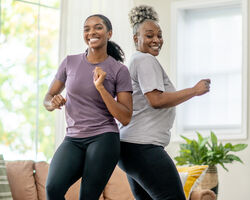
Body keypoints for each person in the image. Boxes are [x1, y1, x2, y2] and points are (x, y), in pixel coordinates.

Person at [118, 5, 211, 200]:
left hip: (130, 148)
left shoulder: (138, 60)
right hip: (142, 147)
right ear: (136, 39)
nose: (157, 40)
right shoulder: (144, 60)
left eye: (159, 35)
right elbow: (156, 100)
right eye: (150, 35)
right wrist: (194, 90)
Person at [43, 14, 133, 200]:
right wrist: (52, 103)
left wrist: (101, 87)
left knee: (88, 196)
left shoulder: (119, 70)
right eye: (87, 28)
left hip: (104, 138)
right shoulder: (70, 62)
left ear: (109, 33)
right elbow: (48, 96)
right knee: (53, 188)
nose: (92, 32)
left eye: (98, 27)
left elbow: (125, 117)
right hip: (73, 138)